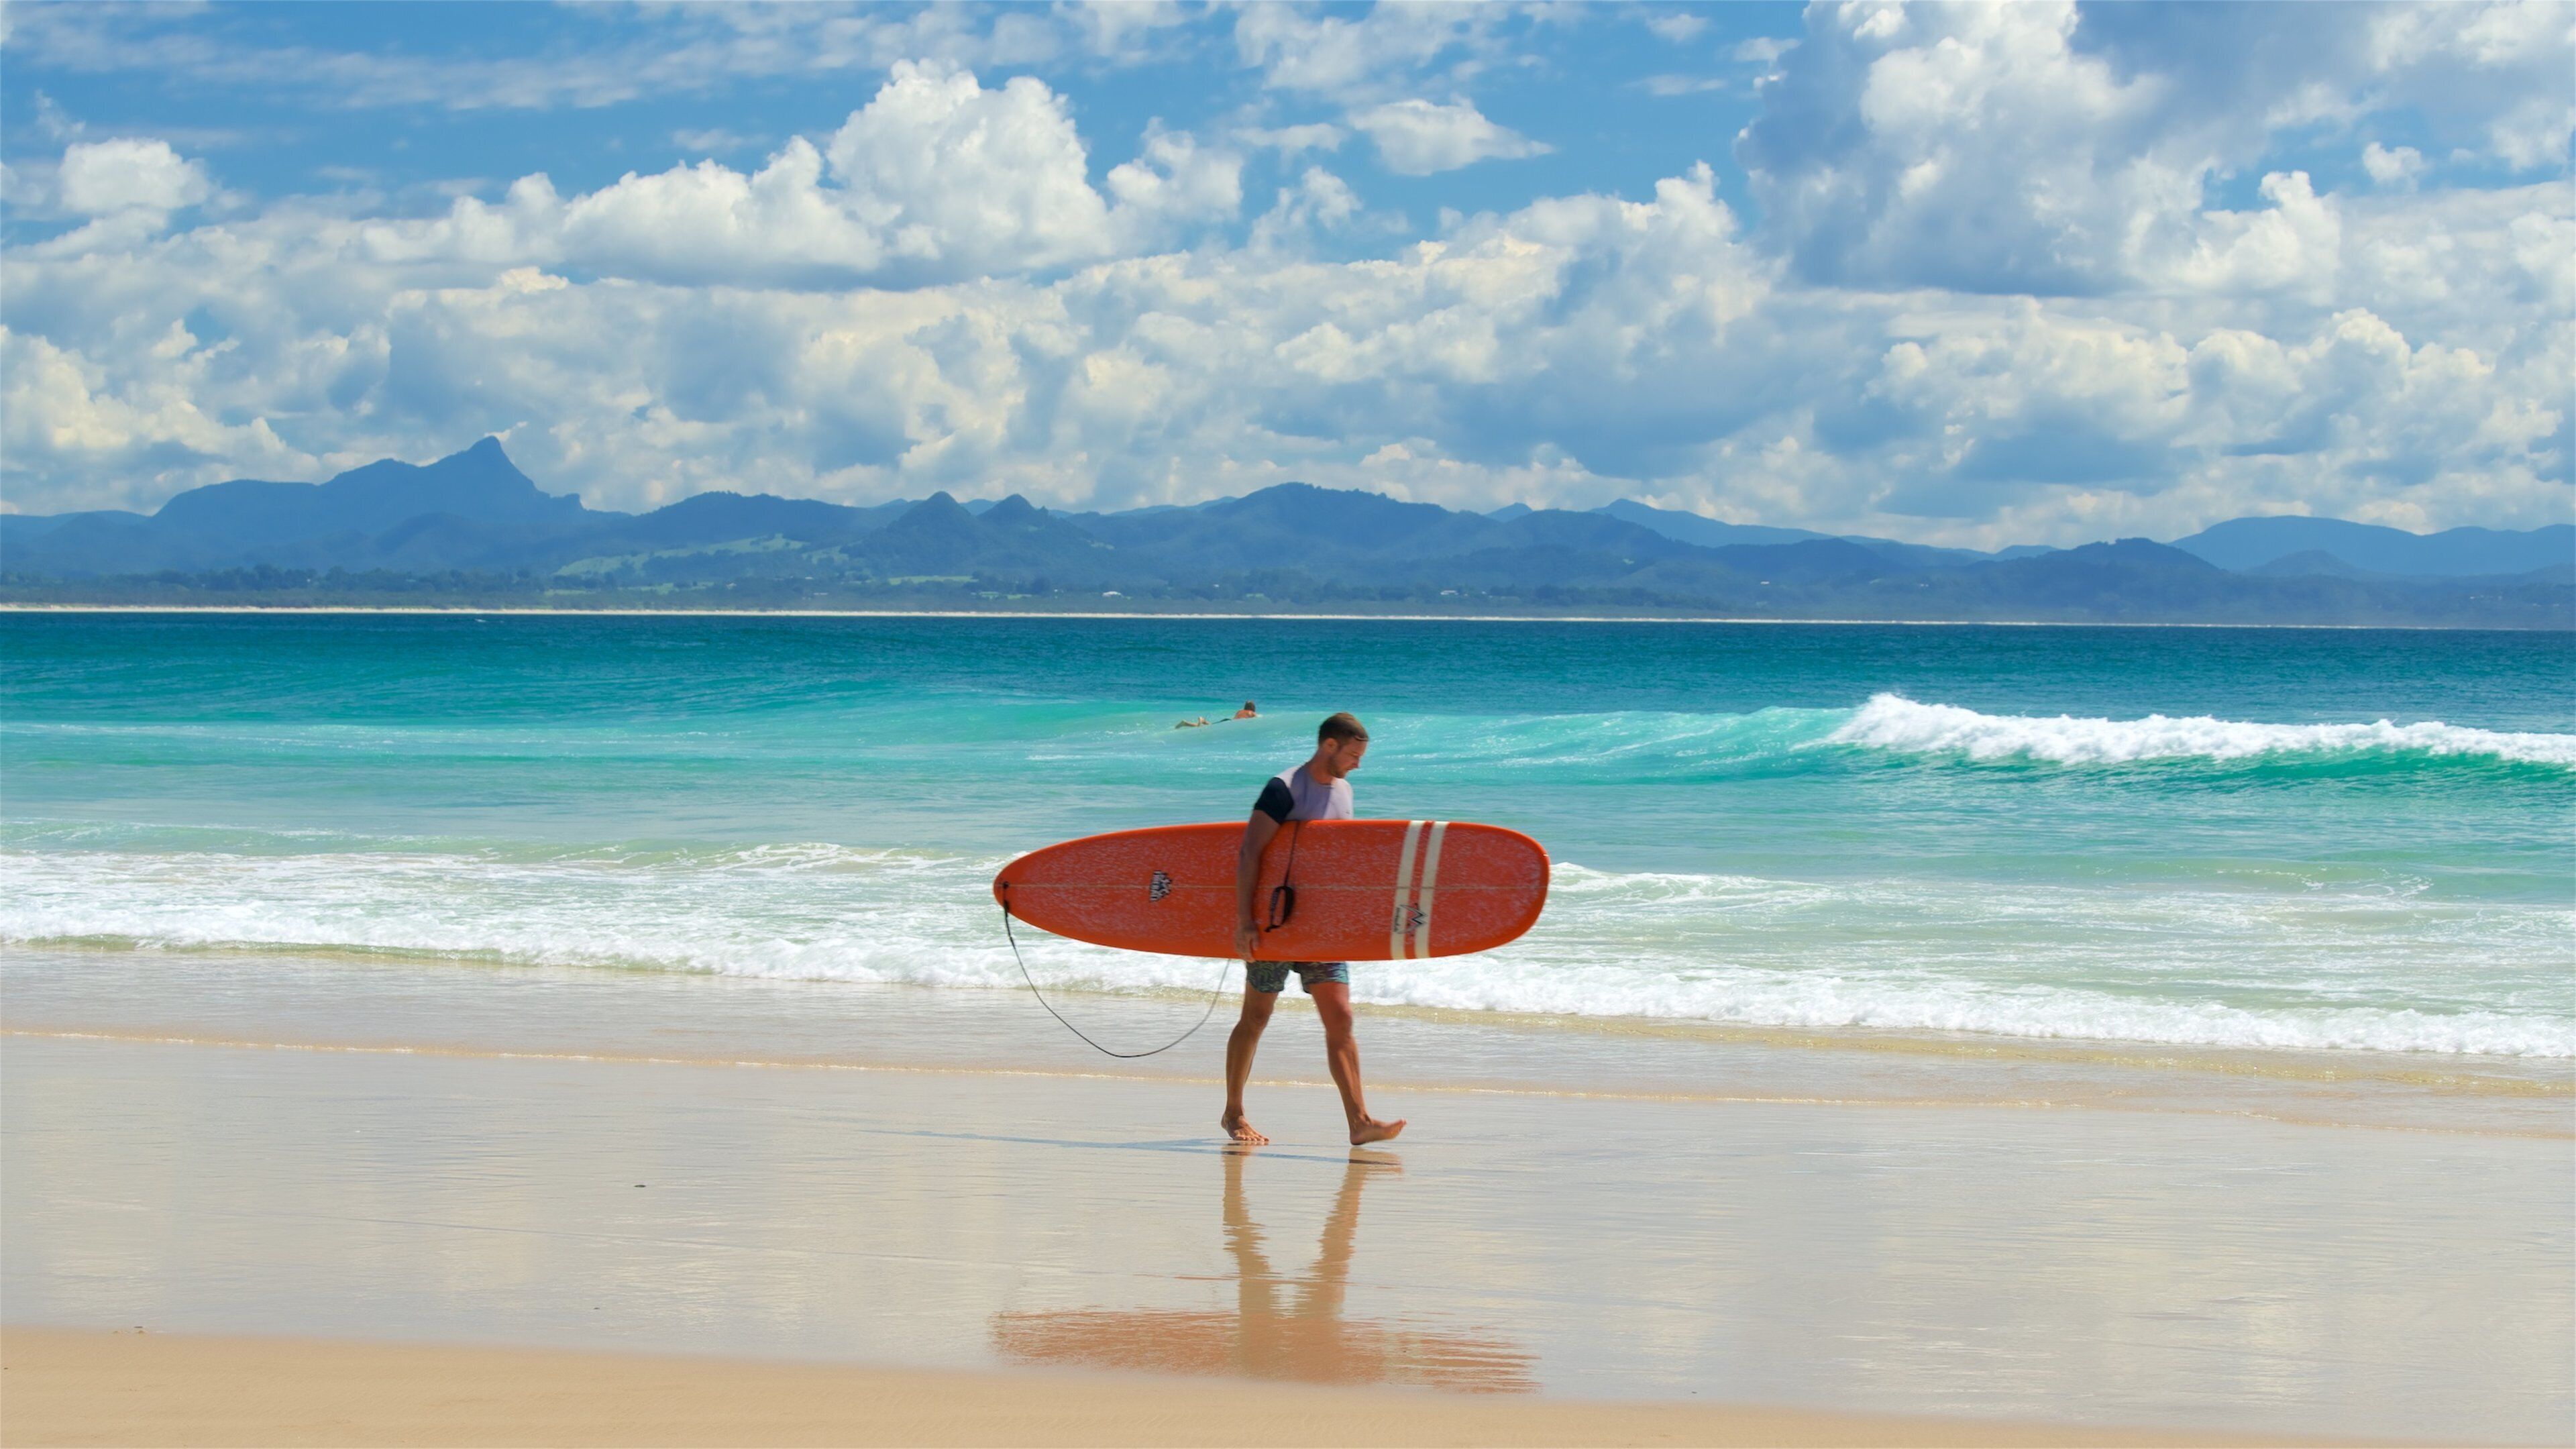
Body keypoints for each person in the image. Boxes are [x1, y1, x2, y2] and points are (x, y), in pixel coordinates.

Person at [1223, 712, 1405, 1147]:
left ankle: (1359, 1121)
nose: (1358, 764)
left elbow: (1337, 863)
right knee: (1256, 1017)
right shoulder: (1283, 789)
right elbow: (1250, 852)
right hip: (1276, 926)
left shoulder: (1344, 791)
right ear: (1329, 746)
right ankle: (1234, 1113)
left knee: (1340, 1018)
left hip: (1322, 930)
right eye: (1354, 754)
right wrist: (1245, 920)